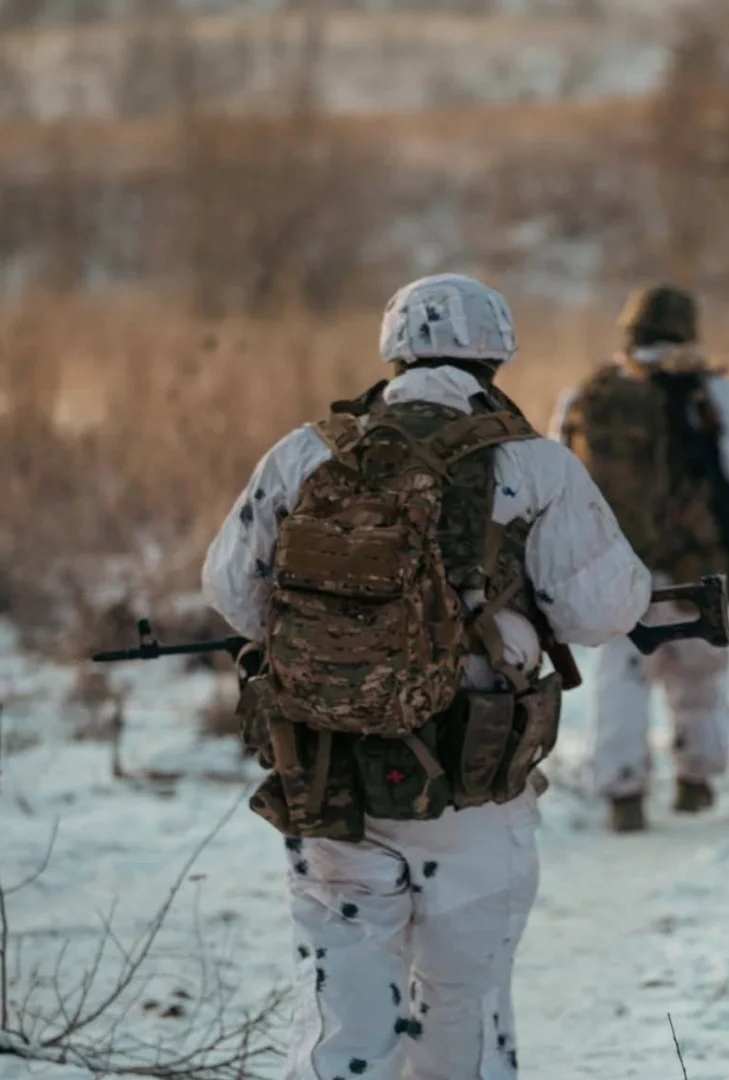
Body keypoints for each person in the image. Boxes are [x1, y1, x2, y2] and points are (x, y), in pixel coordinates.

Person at [202, 273, 652, 1080]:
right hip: (471, 781)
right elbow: (604, 612)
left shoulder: (306, 453)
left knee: (342, 1013)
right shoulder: (533, 468)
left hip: (327, 771)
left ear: (394, 349)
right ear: (497, 355)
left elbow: (233, 594)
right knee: (462, 1006)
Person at [552, 284, 729, 834]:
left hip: (614, 566)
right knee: (699, 671)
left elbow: (554, 477)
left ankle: (623, 793)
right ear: (688, 329)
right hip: (693, 564)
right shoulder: (710, 392)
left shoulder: (587, 393)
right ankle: (695, 780)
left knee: (621, 675)